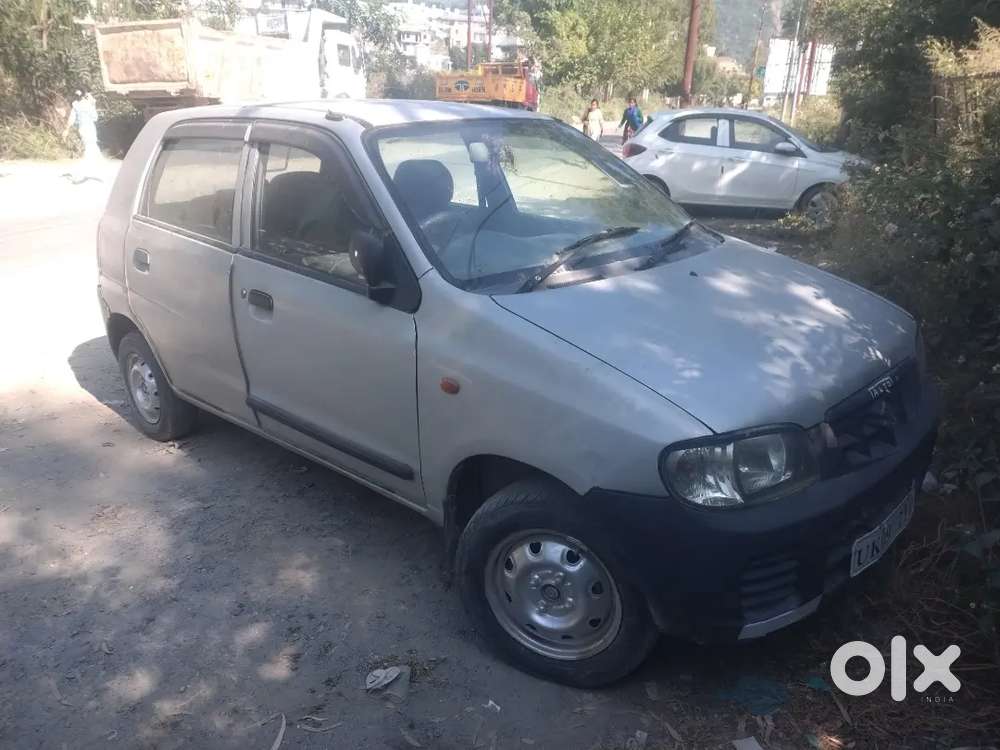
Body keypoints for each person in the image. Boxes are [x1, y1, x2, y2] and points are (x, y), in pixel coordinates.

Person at [62, 90, 101, 180]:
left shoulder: (75, 105)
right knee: (90, 150)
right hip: (90, 129)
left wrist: (66, 130)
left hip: (82, 129)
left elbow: (71, 119)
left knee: (93, 149)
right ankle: (80, 173)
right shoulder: (88, 104)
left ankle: (94, 172)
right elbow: (95, 118)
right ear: (85, 95)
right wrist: (93, 103)